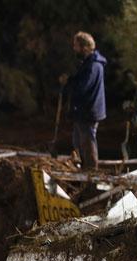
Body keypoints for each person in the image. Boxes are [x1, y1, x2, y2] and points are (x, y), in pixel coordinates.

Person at [59, 31, 107, 170]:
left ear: (84, 47)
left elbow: (83, 87)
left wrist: (68, 83)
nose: (74, 49)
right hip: (83, 111)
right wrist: (69, 81)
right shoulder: (87, 63)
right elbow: (80, 81)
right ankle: (83, 167)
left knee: (87, 142)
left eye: (76, 46)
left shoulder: (93, 65)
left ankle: (91, 172)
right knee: (78, 141)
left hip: (89, 110)